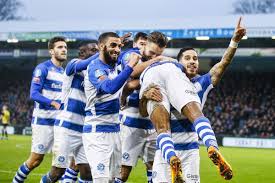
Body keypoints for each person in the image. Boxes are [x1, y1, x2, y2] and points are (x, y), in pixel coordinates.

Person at [150, 17, 246, 183]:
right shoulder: (165, 82)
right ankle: (211, 145)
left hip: (182, 149)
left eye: (195, 58)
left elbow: (223, 64)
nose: (192, 62)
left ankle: (212, 151)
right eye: (187, 58)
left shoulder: (202, 82)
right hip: (170, 150)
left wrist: (234, 41)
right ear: (178, 64)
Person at [118, 31, 177, 183]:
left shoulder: (157, 59)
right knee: (123, 173)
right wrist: (158, 60)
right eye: (151, 53)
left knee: (154, 170)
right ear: (144, 45)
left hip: (152, 124)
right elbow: (131, 78)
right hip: (130, 123)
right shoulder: (131, 55)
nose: (153, 56)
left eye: (157, 54)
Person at [82, 32, 139, 183]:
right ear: (101, 46)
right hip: (97, 133)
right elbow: (110, 87)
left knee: (112, 180)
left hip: (115, 131)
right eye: (113, 45)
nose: (118, 50)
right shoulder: (95, 68)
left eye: (120, 46)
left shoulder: (113, 65)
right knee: (101, 180)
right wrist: (130, 66)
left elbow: (129, 54)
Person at [40, 43, 99, 183]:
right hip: (66, 128)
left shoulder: (95, 73)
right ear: (82, 53)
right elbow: (86, 63)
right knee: (57, 172)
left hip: (84, 130)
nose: (96, 52)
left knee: (87, 171)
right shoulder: (73, 66)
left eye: (97, 49)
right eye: (93, 50)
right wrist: (103, 51)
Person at [12, 36, 67, 183]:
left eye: (65, 47)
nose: (64, 50)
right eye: (60, 47)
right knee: (35, 160)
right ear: (51, 51)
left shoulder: (64, 73)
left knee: (63, 163)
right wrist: (53, 103)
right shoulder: (42, 68)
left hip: (60, 124)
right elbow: (34, 94)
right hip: (43, 122)